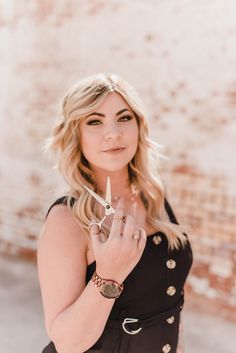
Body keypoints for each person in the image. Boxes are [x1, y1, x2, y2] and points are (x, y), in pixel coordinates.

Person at [37, 73, 193, 353]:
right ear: (76, 134)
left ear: (138, 126)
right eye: (94, 121)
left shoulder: (154, 196)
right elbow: (67, 344)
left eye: (124, 118)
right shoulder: (67, 219)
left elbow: (172, 301)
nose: (114, 133)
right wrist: (109, 274)